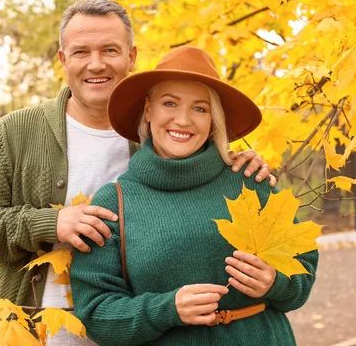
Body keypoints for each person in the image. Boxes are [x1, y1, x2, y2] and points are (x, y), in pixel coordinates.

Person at [0, 0, 275, 344]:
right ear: (63, 59)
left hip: (140, 333)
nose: (96, 64)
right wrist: (50, 223)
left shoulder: (160, 133)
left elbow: (200, 169)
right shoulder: (18, 131)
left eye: (110, 50)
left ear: (131, 57)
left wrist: (231, 158)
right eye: (80, 52)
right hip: (37, 335)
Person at [70, 46, 318, 345]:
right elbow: (96, 313)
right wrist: (166, 309)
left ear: (214, 120)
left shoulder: (252, 182)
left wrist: (275, 284)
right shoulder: (115, 203)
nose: (184, 120)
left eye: (200, 108)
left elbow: (302, 274)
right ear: (148, 109)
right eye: (170, 103)